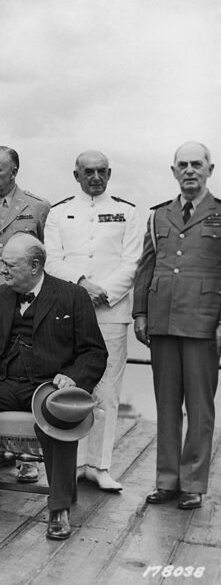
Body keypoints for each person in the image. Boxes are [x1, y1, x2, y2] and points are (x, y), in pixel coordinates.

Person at [0, 233, 107, 540]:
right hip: (3, 384)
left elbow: (94, 352)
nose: (3, 271)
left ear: (35, 266)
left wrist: (72, 378)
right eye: (2, 264)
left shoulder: (72, 296)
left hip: (48, 388)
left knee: (60, 410)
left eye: (10, 265)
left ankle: (59, 507)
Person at [44, 150, 142, 492]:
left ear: (110, 173)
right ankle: (73, 463)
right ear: (76, 175)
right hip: (69, 309)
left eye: (101, 171)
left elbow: (132, 263)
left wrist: (104, 293)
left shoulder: (127, 212)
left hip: (110, 313)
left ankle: (100, 465)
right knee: (70, 385)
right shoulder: (59, 213)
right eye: (88, 171)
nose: (95, 177)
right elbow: (52, 260)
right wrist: (83, 285)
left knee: (107, 391)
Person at [134, 141, 220, 511]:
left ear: (209, 170)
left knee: (200, 409)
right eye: (182, 164)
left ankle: (193, 484)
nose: (189, 170)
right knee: (166, 406)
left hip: (203, 324)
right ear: (173, 171)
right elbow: (146, 268)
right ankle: (166, 480)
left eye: (196, 164)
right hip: (164, 322)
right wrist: (140, 314)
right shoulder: (157, 216)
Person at [0, 146, 50, 482]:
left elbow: (42, 259)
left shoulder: (37, 207)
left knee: (23, 373)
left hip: (23, 305)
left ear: (14, 171)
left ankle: (28, 455)